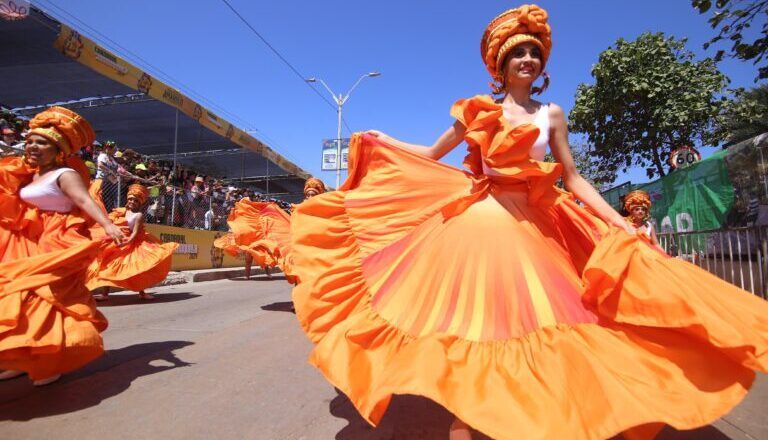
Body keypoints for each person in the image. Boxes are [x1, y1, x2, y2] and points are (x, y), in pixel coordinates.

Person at [288, 5, 768, 440]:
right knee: (481, 327)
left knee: (548, 323)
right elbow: (433, 155)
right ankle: (468, 417)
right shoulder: (480, 109)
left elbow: (575, 179)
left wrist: (615, 221)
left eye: (534, 53)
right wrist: (384, 138)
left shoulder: (552, 114)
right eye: (517, 53)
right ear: (501, 63)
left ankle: (524, 413)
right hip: (479, 229)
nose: (527, 60)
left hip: (537, 230)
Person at [0, 106, 125, 386]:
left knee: (44, 301)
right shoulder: (29, 174)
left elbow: (84, 201)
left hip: (56, 242)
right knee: (17, 299)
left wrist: (107, 225)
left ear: (58, 149)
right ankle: (20, 359)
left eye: (41, 142)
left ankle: (49, 360)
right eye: (30, 140)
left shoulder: (65, 174)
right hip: (28, 242)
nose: (32, 146)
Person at [88, 184, 178, 301]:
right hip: (117, 242)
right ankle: (105, 294)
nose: (132, 202)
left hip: (131, 243)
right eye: (130, 199)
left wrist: (126, 242)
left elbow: (134, 234)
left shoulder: (138, 215)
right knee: (108, 267)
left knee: (137, 269)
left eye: (135, 200)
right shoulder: (121, 211)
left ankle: (142, 293)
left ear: (139, 203)